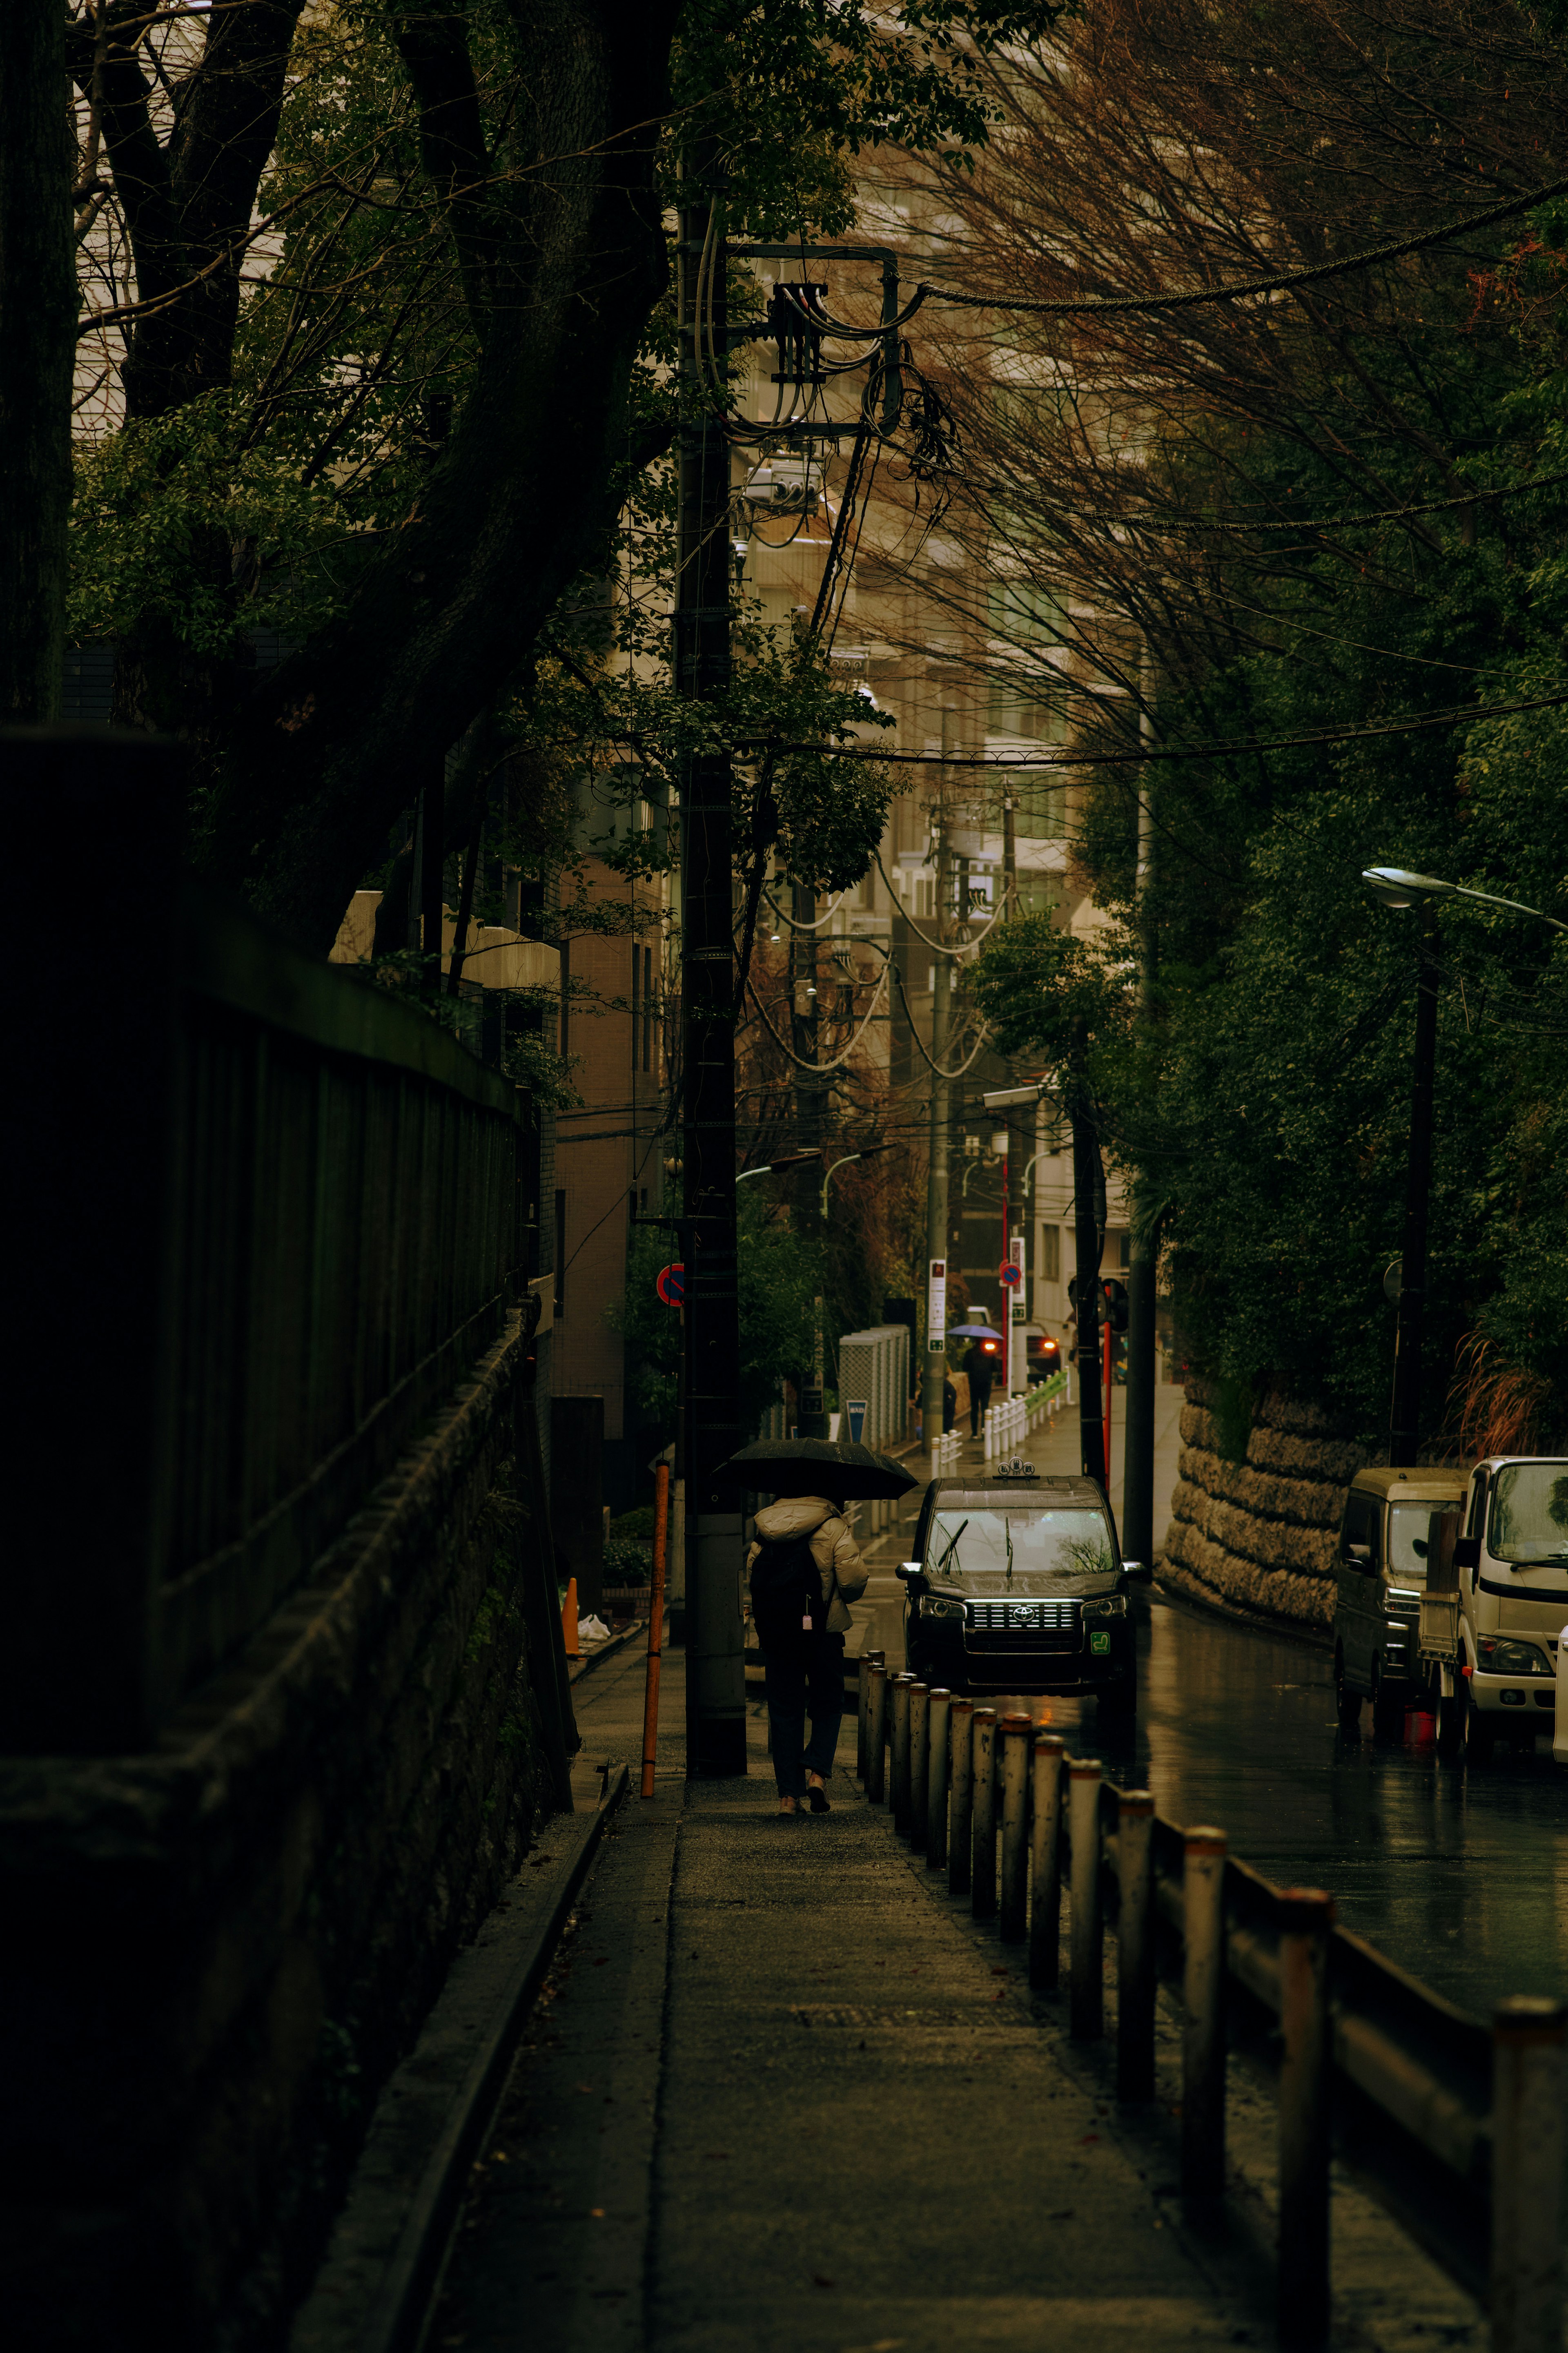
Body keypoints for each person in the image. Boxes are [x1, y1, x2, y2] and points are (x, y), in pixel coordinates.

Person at [747, 1491, 869, 1817]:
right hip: (824, 1634)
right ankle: (816, 1772)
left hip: (778, 1636)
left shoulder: (766, 1527)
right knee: (828, 1703)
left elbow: (754, 1579)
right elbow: (855, 1581)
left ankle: (788, 1797)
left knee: (784, 1710)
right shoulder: (833, 1526)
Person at [963, 1334, 1000, 1437]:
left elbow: (965, 1368)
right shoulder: (990, 1353)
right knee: (985, 1407)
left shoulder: (970, 1353)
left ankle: (974, 1432)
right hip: (986, 1383)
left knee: (974, 1408)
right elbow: (996, 1368)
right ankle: (984, 1430)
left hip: (974, 1383)